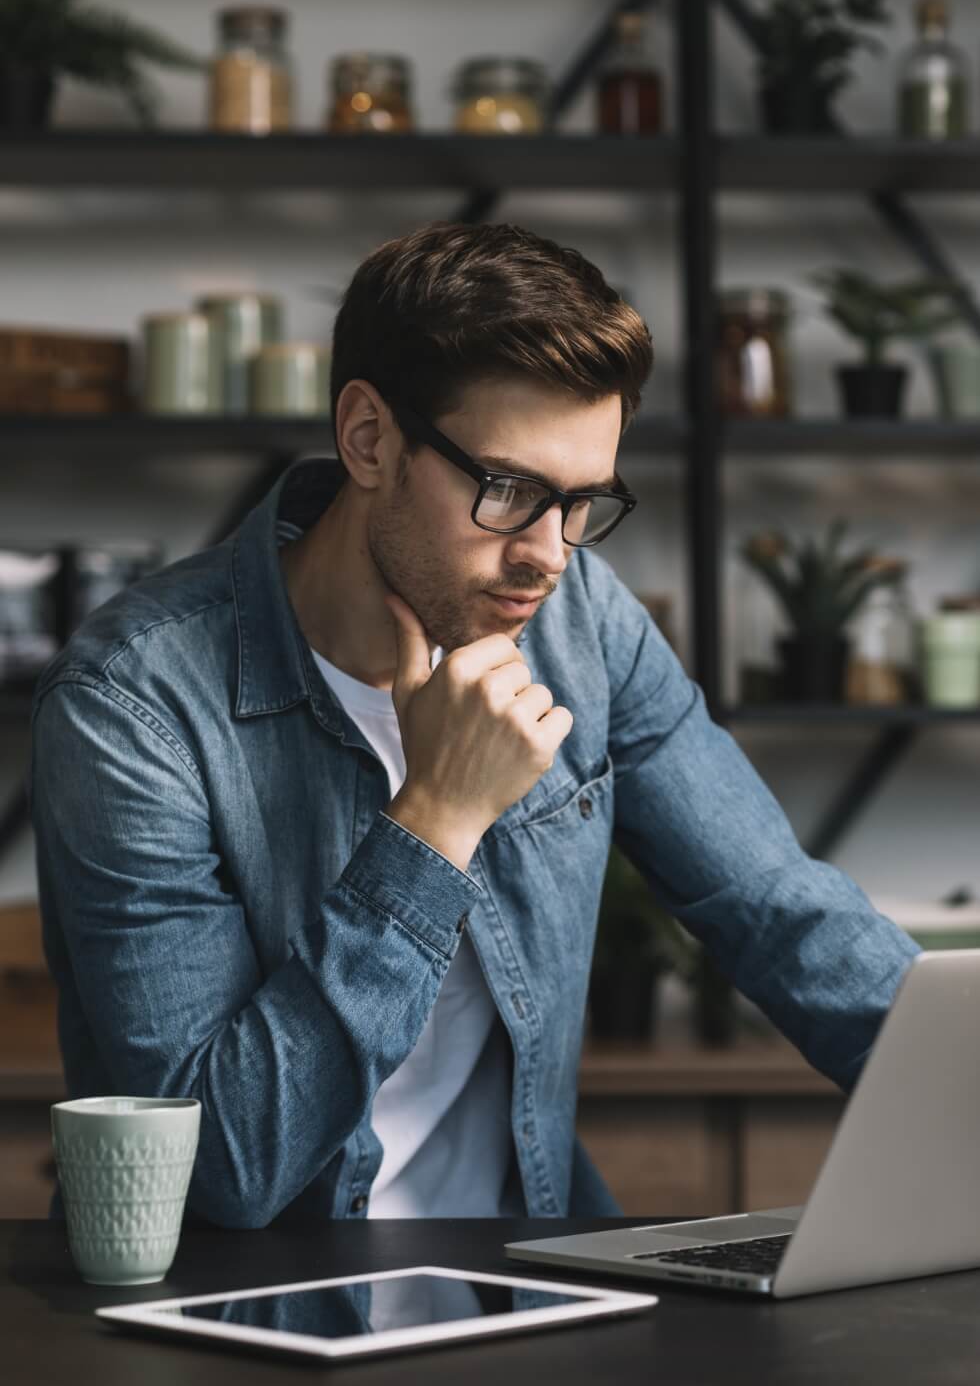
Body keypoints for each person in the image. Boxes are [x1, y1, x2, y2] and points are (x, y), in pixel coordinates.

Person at [30, 221, 918, 1229]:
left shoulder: (586, 627)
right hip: (246, 1316)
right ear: (368, 438)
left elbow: (781, 915)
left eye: (582, 503)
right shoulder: (133, 707)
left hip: (520, 1284)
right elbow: (222, 1165)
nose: (548, 556)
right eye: (508, 491)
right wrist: (435, 819)